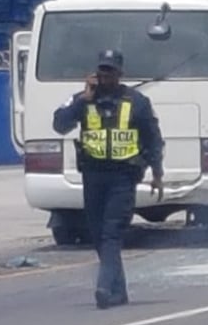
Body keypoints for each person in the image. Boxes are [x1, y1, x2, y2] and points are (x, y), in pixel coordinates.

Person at [52, 49, 165, 310]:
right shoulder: (83, 100)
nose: (105, 76)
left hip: (123, 176)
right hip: (93, 176)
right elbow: (59, 124)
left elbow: (153, 139)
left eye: (110, 71)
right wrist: (83, 99)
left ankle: (103, 288)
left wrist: (157, 174)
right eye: (102, 70)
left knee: (111, 233)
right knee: (97, 234)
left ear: (120, 73)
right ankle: (119, 291)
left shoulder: (137, 101)